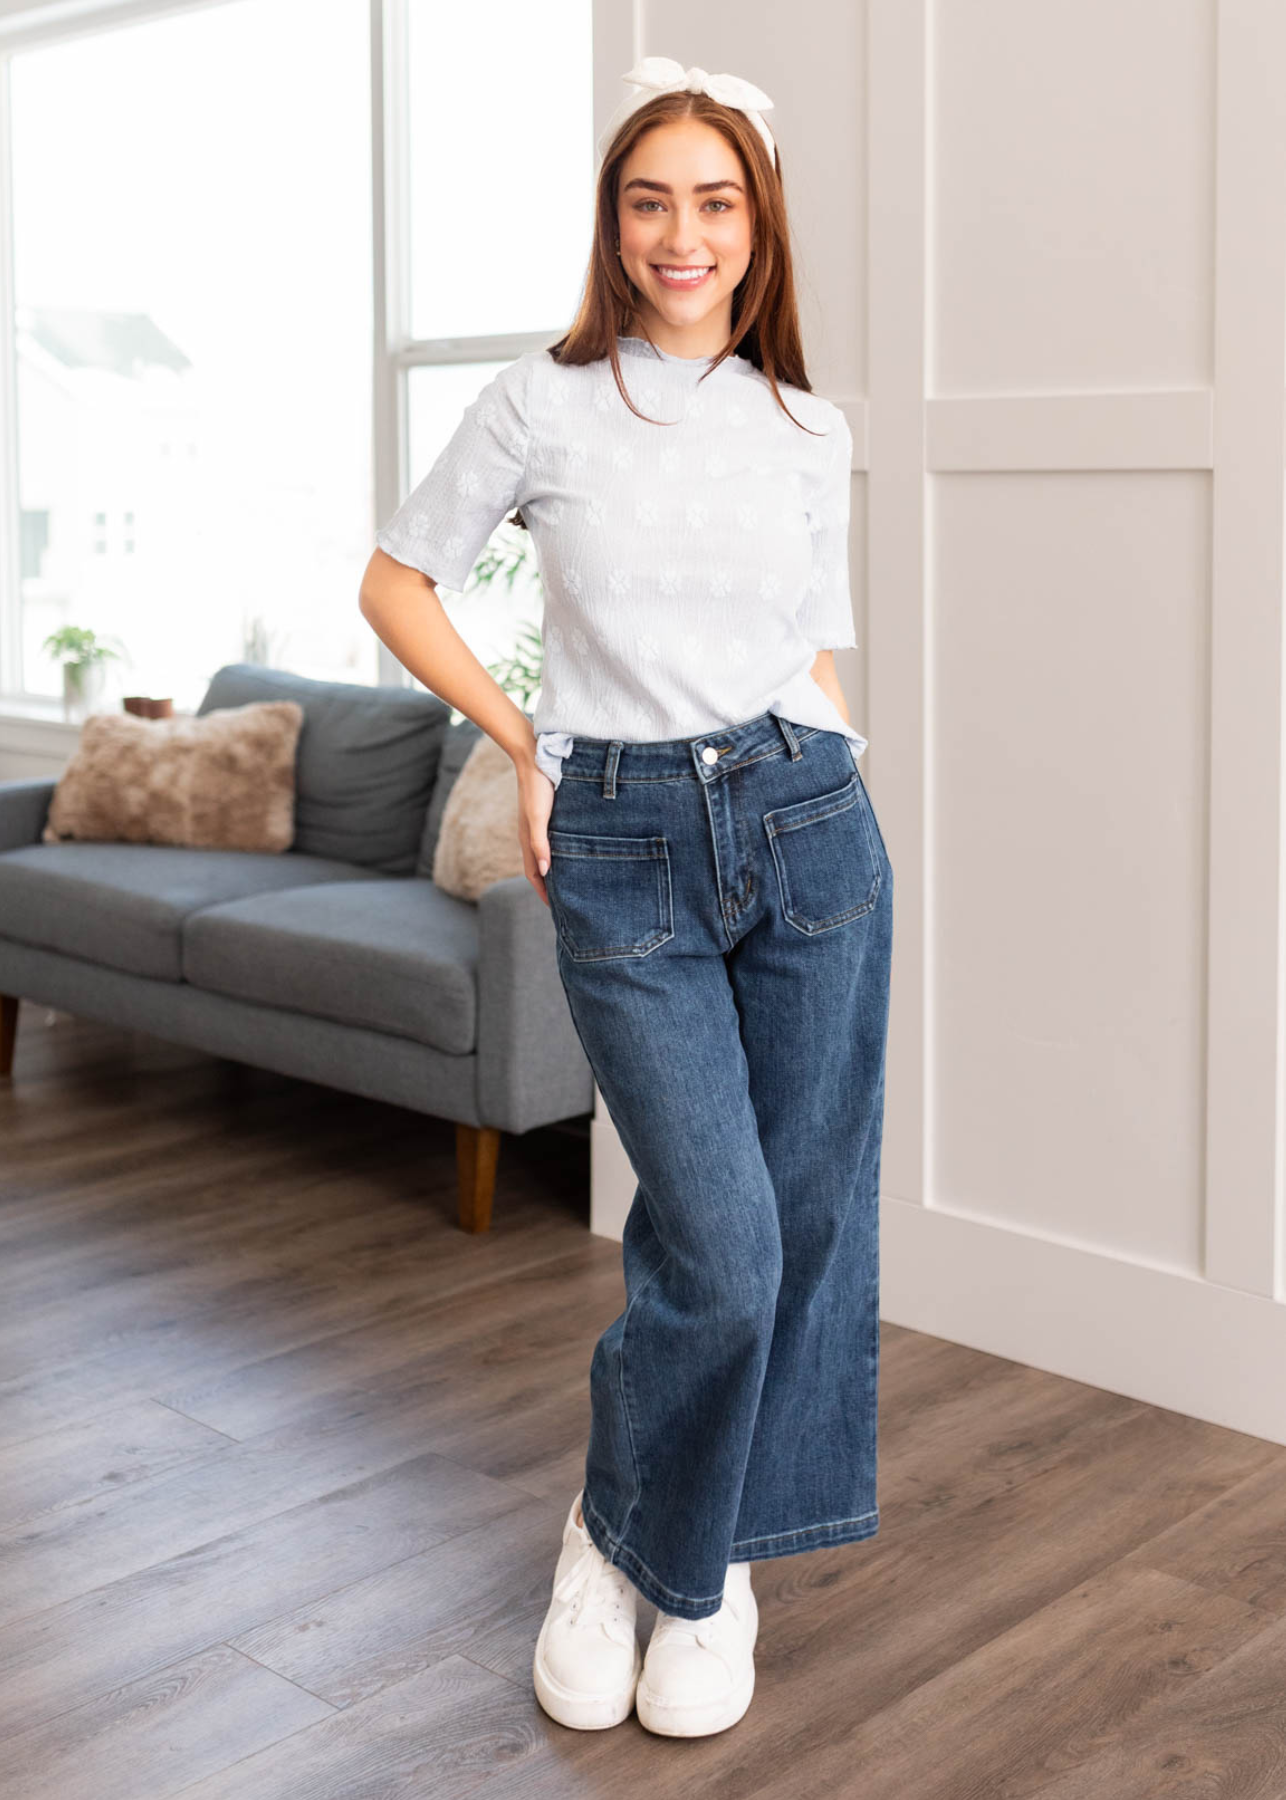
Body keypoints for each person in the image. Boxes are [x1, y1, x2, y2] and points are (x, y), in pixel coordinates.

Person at [360, 55, 893, 1742]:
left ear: (755, 230)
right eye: (648, 199)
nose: (680, 233)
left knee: (796, 1231)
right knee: (718, 1248)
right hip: (619, 845)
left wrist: (835, 781)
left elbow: (811, 648)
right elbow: (394, 579)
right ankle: (616, 1534)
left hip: (807, 826)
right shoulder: (541, 403)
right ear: (615, 222)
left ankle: (704, 1565)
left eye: (713, 203)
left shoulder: (811, 425)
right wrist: (527, 741)